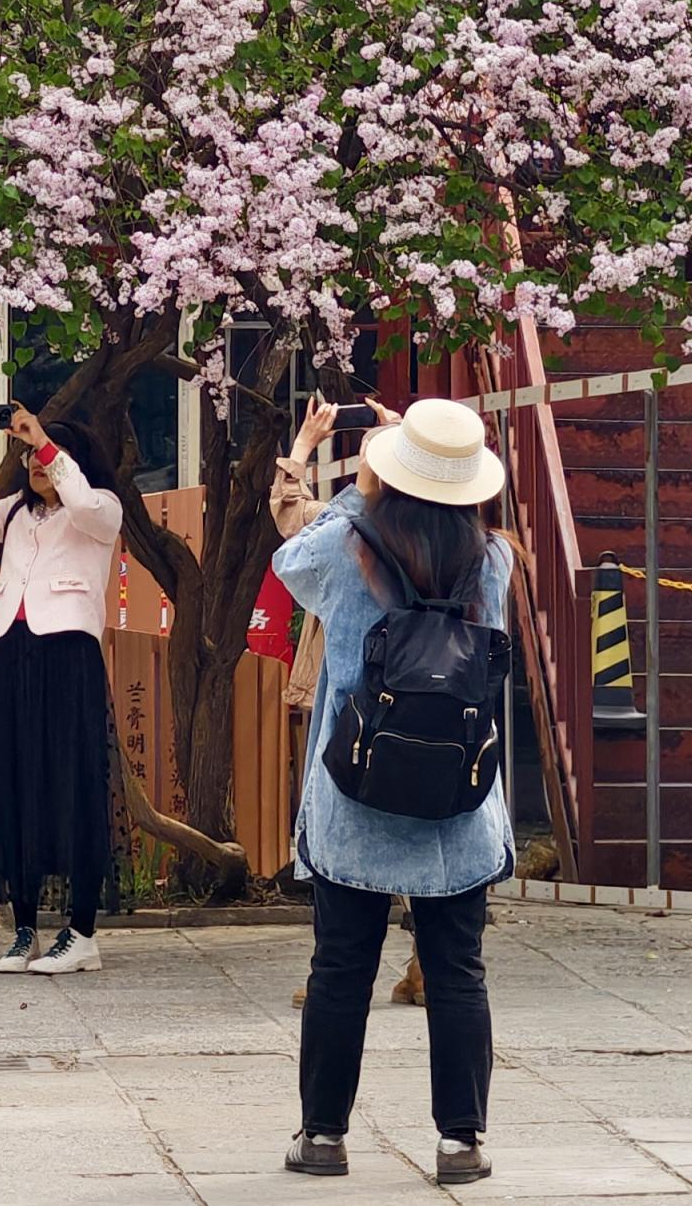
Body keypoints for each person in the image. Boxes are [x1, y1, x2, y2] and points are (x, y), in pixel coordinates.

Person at [274, 396, 513, 1188]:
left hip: (357, 792)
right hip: (458, 795)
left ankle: (322, 1136)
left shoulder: (347, 548)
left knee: (342, 965)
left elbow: (288, 563)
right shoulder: (495, 560)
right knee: (458, 970)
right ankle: (460, 1142)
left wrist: (360, 481)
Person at [0, 400, 124, 976]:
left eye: (47, 455)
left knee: (74, 785)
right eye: (31, 457)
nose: (37, 464)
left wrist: (45, 441)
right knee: (13, 785)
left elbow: (87, 502)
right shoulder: (14, 514)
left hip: (68, 657)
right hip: (13, 655)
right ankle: (24, 930)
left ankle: (83, 932)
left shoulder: (99, 510)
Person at [272, 395, 424, 1012]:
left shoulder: (343, 537)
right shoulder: (466, 544)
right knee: (417, 827)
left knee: (338, 825)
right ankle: (426, 969)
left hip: (357, 706)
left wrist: (332, 462)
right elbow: (291, 516)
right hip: (425, 704)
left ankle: (338, 972)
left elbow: (293, 538)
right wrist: (307, 447)